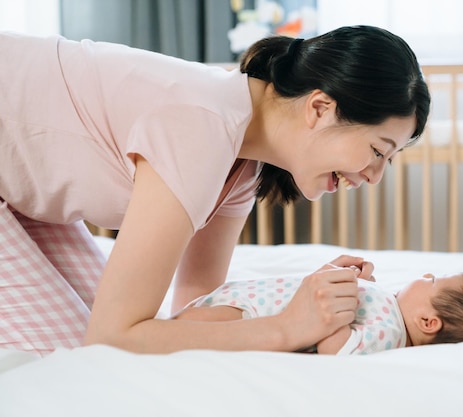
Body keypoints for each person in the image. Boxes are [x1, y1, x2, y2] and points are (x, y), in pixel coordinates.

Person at [0, 25, 431, 355]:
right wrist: (286, 328)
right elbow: (115, 337)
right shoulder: (202, 129)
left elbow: (195, 315)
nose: (374, 176)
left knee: (103, 342)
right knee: (78, 358)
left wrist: (299, 302)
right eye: (378, 151)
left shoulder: (241, 164)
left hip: (18, 184)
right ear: (320, 108)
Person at [173, 256, 463, 354]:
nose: (426, 273)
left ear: (428, 321)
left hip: (257, 314)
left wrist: (342, 308)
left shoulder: (390, 333)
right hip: (259, 298)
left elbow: (338, 349)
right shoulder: (391, 310)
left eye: (433, 281)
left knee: (185, 325)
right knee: (187, 318)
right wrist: (355, 282)